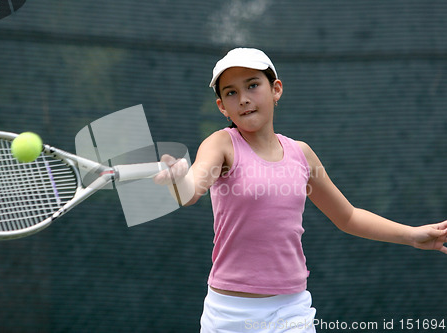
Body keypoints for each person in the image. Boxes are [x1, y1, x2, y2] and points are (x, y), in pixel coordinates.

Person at [154, 48, 447, 332]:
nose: (243, 99)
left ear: (276, 89)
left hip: (291, 310)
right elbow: (191, 192)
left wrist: (412, 235)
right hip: (229, 313)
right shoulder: (221, 144)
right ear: (221, 106)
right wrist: (178, 180)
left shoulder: (302, 155)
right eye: (231, 92)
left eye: (253, 85)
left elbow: (348, 217)